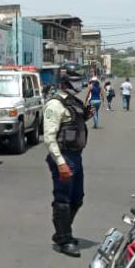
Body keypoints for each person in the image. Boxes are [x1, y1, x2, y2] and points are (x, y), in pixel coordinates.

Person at [43, 75, 91, 257]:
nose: (79, 83)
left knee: (77, 197)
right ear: (64, 83)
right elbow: (49, 137)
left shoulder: (74, 102)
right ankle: (64, 239)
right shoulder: (55, 105)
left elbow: (75, 122)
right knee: (63, 199)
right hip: (63, 156)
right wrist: (60, 163)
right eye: (74, 80)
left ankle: (62, 232)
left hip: (76, 156)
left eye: (80, 79)